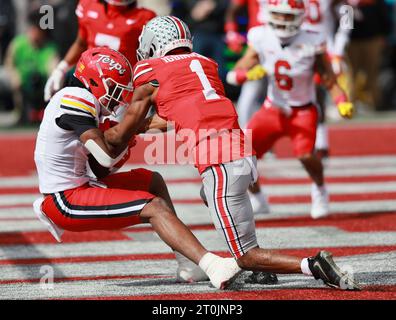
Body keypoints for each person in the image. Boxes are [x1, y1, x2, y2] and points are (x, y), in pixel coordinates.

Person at [103, 15, 360, 290]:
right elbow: (181, 114)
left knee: (245, 256)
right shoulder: (205, 64)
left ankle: (312, 265)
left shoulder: (150, 71)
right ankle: (263, 267)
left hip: (220, 162)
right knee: (213, 199)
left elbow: (119, 135)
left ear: (154, 44)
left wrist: (93, 132)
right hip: (243, 152)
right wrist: (140, 127)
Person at [33, 46, 242, 290]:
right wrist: (130, 130)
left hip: (82, 184)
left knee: (152, 181)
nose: (119, 97)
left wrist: (142, 126)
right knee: (154, 207)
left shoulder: (87, 104)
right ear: (94, 80)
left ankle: (188, 264)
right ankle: (212, 265)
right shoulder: (75, 97)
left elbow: (100, 169)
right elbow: (104, 157)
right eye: (115, 88)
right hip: (64, 198)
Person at [226, 0, 355, 219]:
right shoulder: (261, 35)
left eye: (288, 15)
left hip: (302, 110)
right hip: (273, 108)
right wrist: (244, 75)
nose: (283, 20)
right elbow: (240, 67)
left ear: (299, 16)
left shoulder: (313, 39)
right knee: (241, 157)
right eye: (279, 14)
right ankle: (258, 199)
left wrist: (341, 99)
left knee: (305, 155)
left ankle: (320, 190)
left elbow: (328, 79)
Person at [44, 0, 156, 102]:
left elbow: (149, 60)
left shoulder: (145, 17)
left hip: (120, 89)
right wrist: (61, 69)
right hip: (88, 81)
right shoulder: (88, 5)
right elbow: (81, 43)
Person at [302, 0, 351, 159]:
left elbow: (347, 10)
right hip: (296, 49)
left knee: (317, 95)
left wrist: (339, 46)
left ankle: (320, 142)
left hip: (322, 49)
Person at [5, 11, 59, 124]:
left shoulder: (50, 46)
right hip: (22, 80)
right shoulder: (18, 44)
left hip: (42, 82)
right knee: (14, 82)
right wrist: (14, 75)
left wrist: (52, 74)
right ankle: (19, 113)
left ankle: (47, 112)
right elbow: (9, 63)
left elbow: (53, 63)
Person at [225, 0, 268, 129]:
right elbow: (233, 9)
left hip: (286, 41)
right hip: (258, 43)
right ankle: (245, 134)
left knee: (272, 97)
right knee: (251, 89)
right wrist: (231, 32)